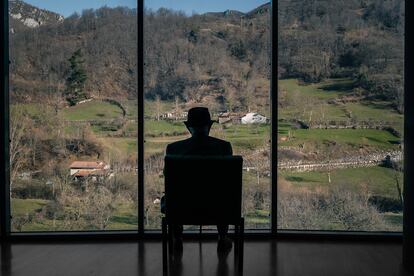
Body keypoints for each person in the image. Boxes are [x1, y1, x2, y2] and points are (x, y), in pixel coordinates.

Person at [163, 107, 233, 253]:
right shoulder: (224, 147)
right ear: (210, 126)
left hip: (182, 207)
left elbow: (169, 180)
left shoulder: (174, 149)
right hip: (217, 207)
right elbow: (228, 182)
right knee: (223, 194)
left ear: (188, 127)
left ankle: (177, 237)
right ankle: (222, 236)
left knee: (173, 196)